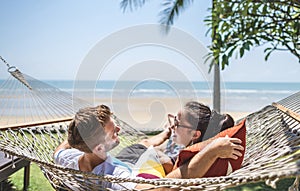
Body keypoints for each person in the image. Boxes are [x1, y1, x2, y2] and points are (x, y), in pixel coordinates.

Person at [54, 104, 244, 190]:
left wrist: (80, 128)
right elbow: (161, 189)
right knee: (146, 146)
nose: (119, 128)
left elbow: (60, 150)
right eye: (114, 131)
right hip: (133, 162)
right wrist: (211, 151)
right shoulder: (116, 175)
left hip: (134, 154)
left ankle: (163, 136)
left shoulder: (66, 158)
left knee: (145, 143)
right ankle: (161, 139)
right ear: (98, 147)